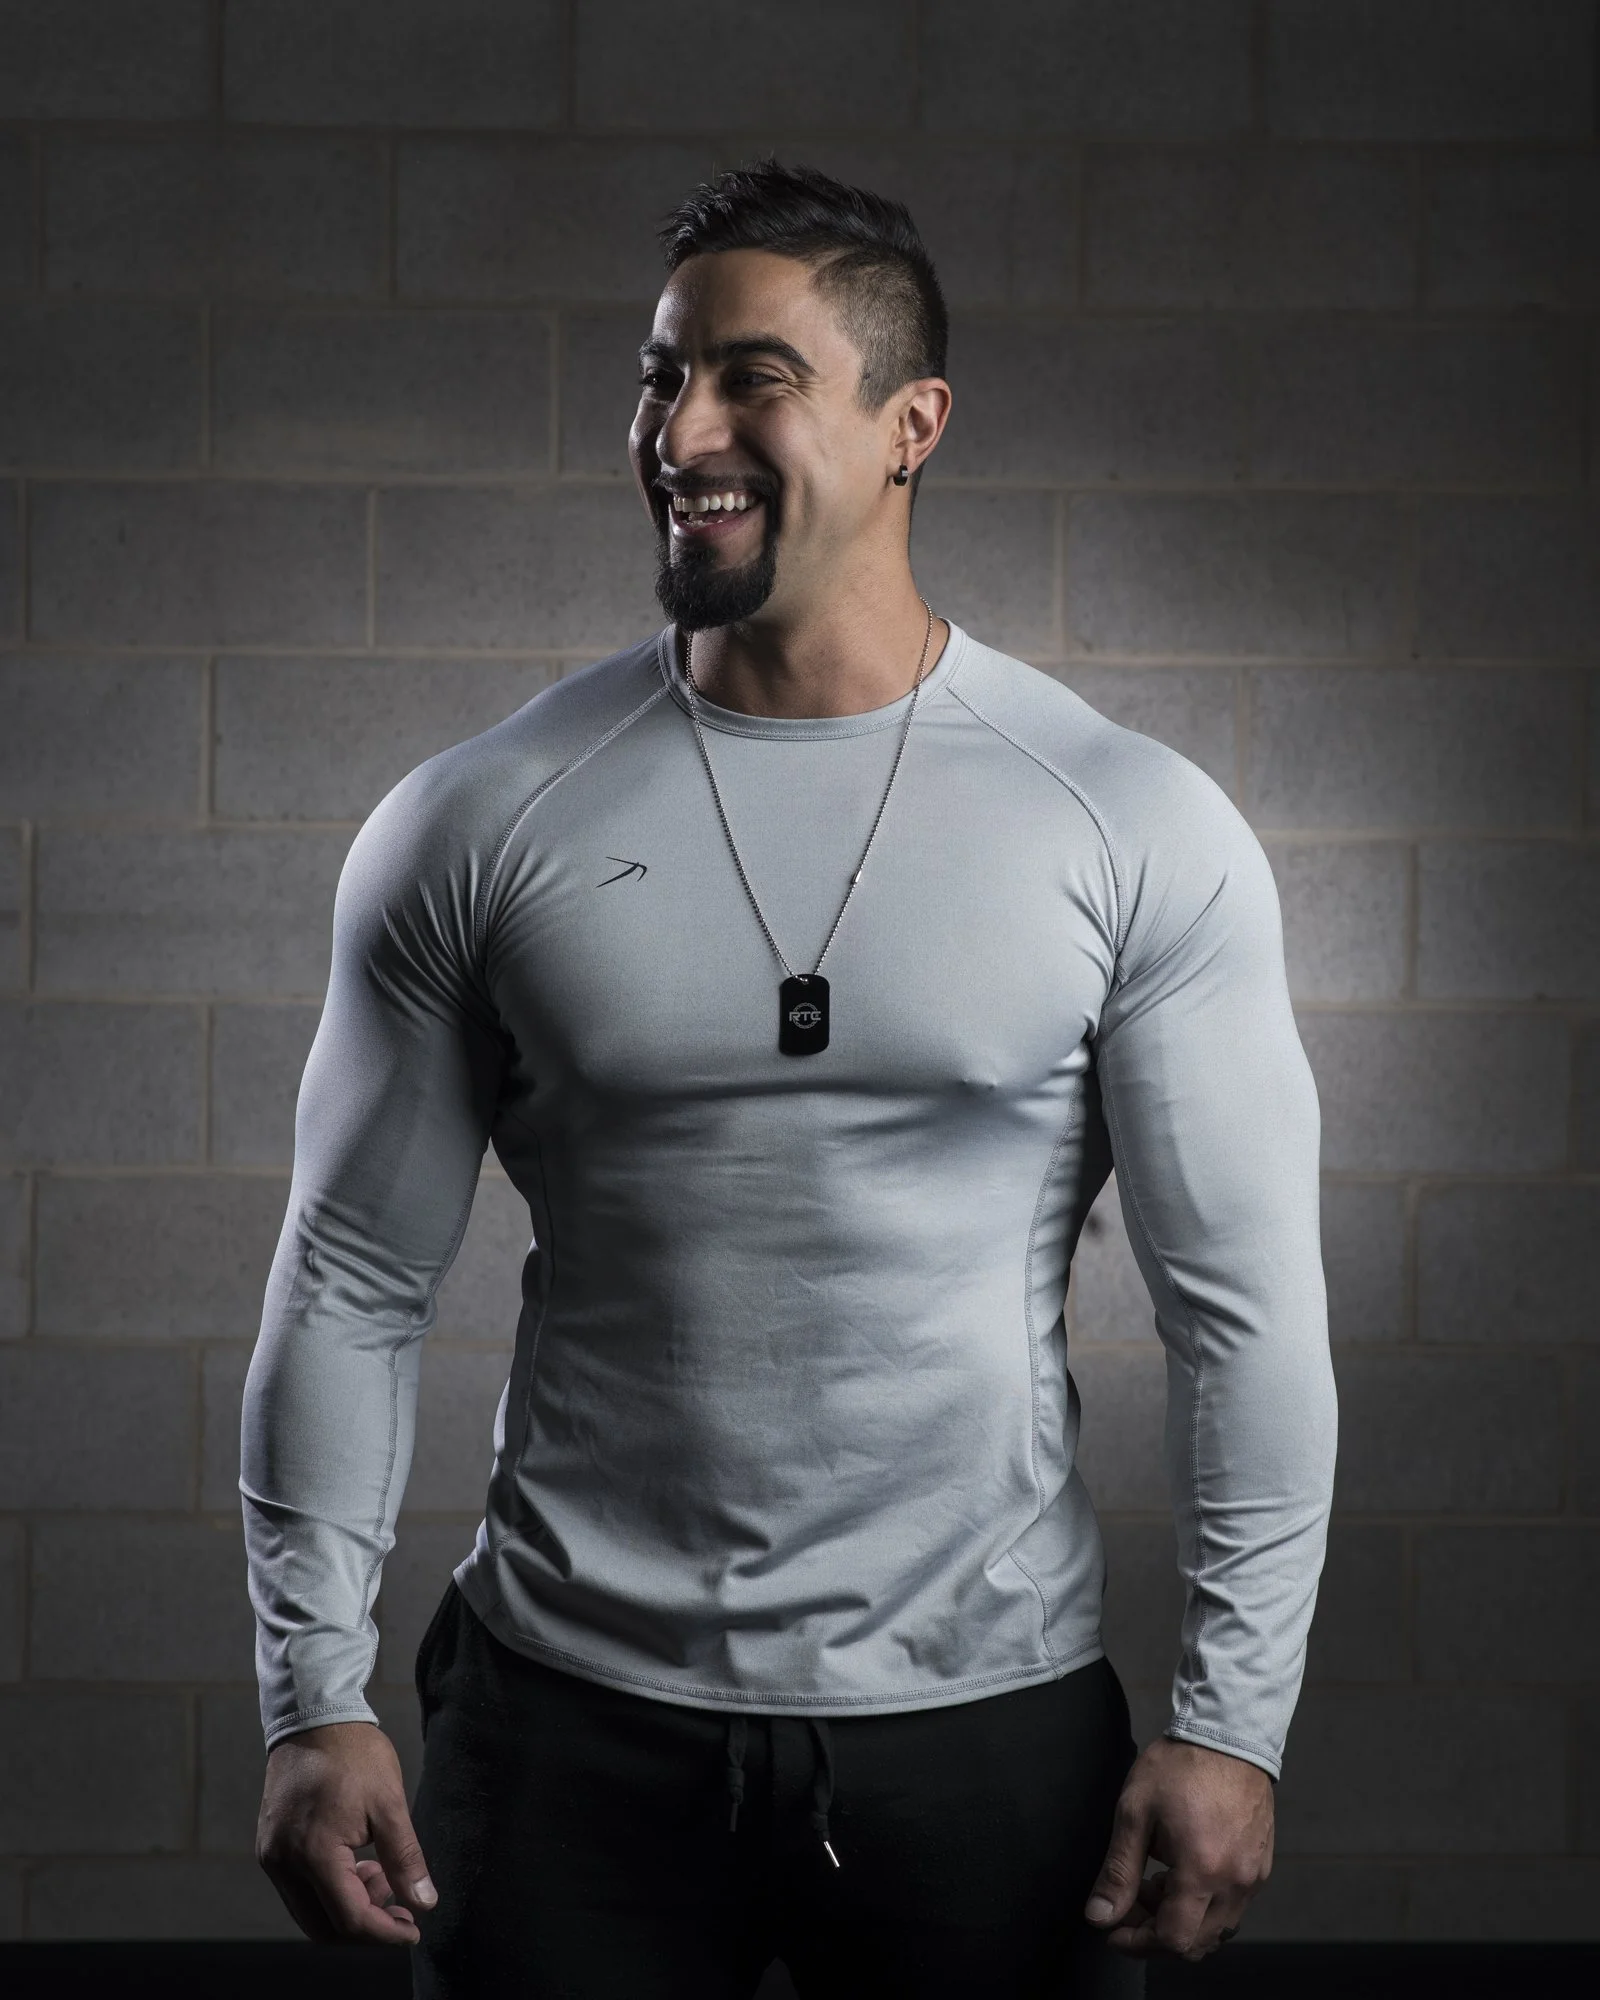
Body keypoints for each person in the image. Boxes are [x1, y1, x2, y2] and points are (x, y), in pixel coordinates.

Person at [245, 160, 1338, 1998]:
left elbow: (1244, 1316)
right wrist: (308, 1692)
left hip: (983, 1736)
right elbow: (351, 1278)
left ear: (912, 426)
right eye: (662, 376)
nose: (684, 427)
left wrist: (1239, 1725)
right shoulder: (480, 817)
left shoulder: (1127, 823)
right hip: (563, 1725)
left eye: (755, 375)